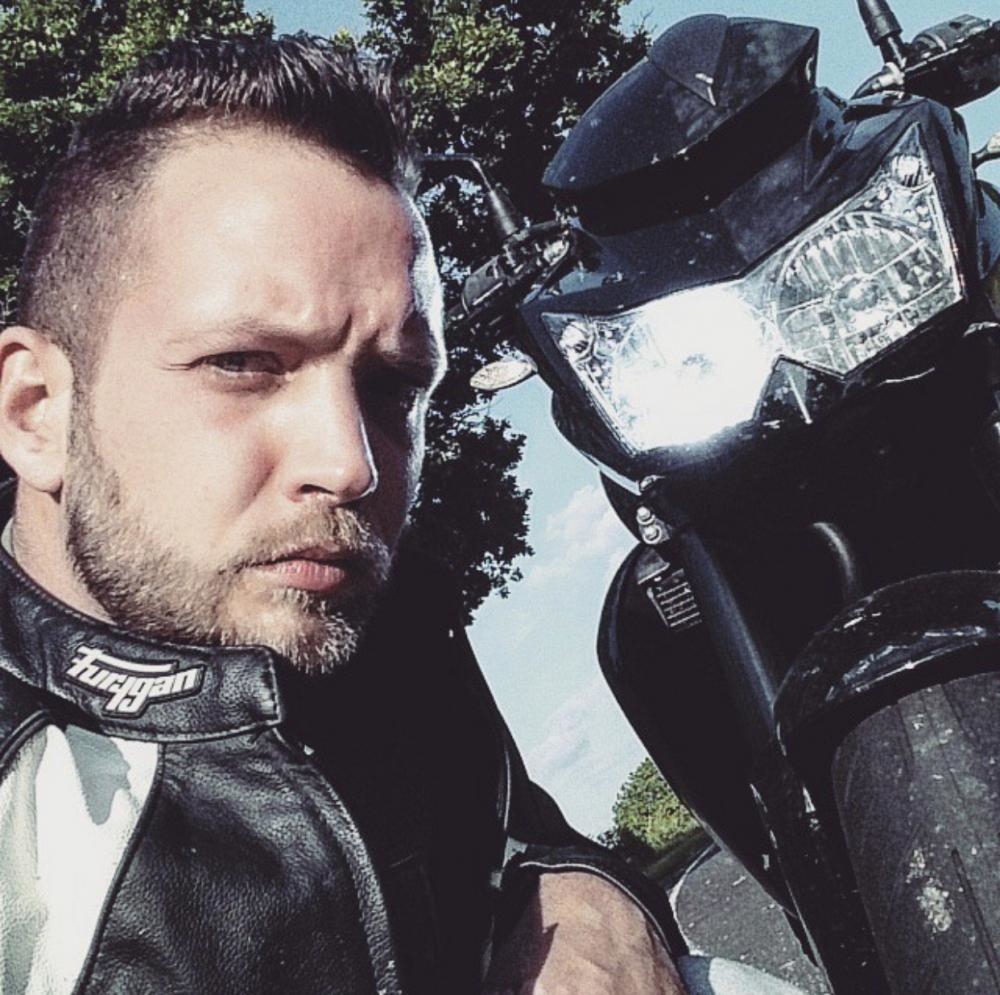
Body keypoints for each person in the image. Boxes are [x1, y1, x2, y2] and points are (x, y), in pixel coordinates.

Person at [0, 31, 811, 995]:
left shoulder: (373, 615)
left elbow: (509, 826)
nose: (350, 465)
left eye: (392, 386)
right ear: (36, 412)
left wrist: (582, 892)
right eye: (243, 363)